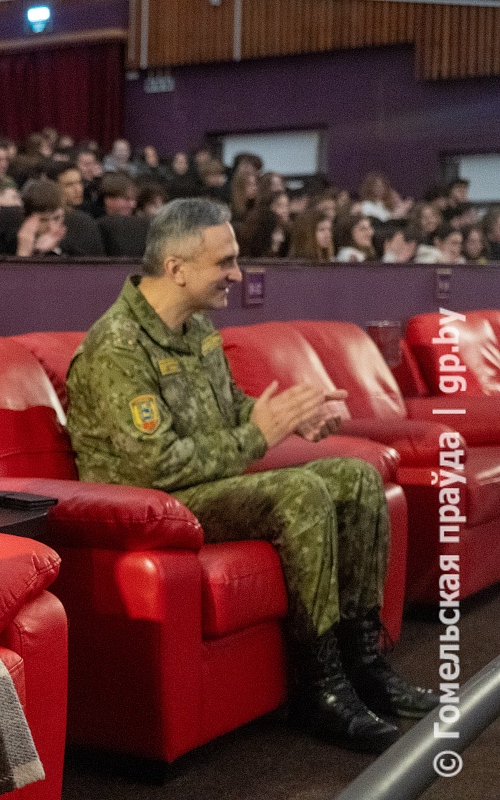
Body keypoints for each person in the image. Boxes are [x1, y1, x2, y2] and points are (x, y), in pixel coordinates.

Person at [64, 197, 436, 755]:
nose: (238, 275)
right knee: (302, 491)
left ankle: (363, 663)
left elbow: (228, 407)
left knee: (357, 478)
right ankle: (320, 685)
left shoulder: (194, 325)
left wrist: (288, 417)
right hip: (156, 505)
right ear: (176, 268)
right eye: (226, 262)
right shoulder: (116, 346)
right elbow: (153, 465)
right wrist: (259, 434)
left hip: (203, 485)